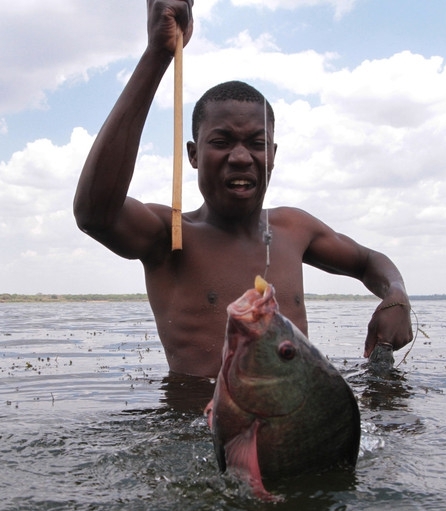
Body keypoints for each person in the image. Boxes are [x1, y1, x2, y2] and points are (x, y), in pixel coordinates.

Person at [73, 0, 413, 379]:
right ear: (193, 155)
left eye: (256, 143)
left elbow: (369, 261)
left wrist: (396, 295)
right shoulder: (170, 236)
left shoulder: (295, 229)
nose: (240, 157)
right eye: (221, 141)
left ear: (273, 155)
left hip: (293, 424)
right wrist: (157, 55)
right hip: (201, 430)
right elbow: (94, 214)